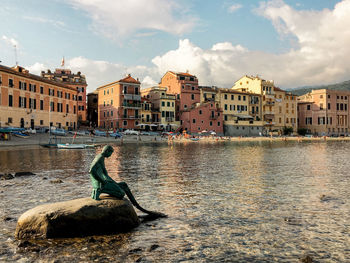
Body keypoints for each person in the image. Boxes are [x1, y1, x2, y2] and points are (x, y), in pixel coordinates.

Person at [89, 145, 166, 218]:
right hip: (101, 185)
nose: (110, 156)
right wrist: (102, 181)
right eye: (110, 153)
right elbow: (91, 170)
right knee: (121, 194)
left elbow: (104, 172)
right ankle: (138, 207)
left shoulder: (100, 157)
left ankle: (137, 206)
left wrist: (112, 182)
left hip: (105, 182)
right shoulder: (100, 158)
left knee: (123, 184)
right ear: (107, 151)